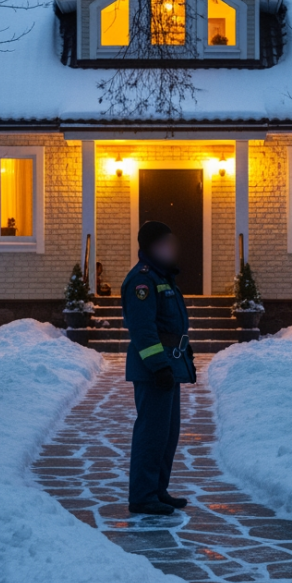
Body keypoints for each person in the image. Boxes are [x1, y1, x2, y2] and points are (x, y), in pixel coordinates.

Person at [121, 221, 197, 515]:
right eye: (164, 243)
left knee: (168, 433)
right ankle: (142, 495)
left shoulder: (162, 277)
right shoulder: (143, 281)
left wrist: (182, 357)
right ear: (150, 247)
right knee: (152, 433)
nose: (170, 248)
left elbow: (170, 325)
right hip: (154, 369)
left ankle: (157, 489)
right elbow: (143, 330)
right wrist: (159, 366)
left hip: (169, 365)